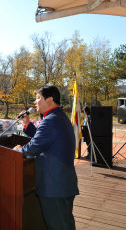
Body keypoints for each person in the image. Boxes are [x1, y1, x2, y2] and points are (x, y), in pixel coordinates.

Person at [13, 85, 79, 230]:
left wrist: (15, 153)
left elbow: (33, 147)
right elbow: (43, 137)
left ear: (49, 100)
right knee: (65, 224)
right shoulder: (57, 117)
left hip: (55, 187)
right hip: (63, 184)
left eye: (38, 98)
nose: (35, 102)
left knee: (58, 226)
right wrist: (27, 124)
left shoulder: (51, 120)